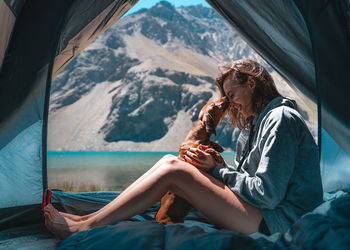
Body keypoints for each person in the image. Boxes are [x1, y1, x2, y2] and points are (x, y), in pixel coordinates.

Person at [44, 59, 323, 241]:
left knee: (173, 169)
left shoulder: (280, 119)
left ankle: (84, 228)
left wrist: (217, 170)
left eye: (232, 95)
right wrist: (209, 170)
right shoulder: (255, 125)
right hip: (261, 212)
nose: (229, 103)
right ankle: (87, 218)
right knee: (174, 164)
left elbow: (268, 194)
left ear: (251, 83)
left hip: (279, 221)